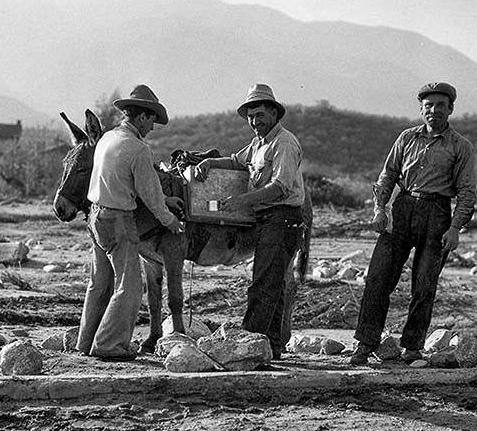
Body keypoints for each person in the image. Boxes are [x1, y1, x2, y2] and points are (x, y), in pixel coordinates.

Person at [349, 81, 477, 365]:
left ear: (451, 109)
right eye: (428, 105)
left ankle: (412, 347)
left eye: (440, 105)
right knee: (378, 278)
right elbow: (388, 175)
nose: (434, 111)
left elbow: (467, 192)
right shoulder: (406, 138)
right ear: (421, 109)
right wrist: (379, 209)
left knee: (424, 284)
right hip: (402, 208)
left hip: (438, 214)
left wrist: (455, 228)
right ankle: (366, 343)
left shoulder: (460, 147)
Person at [195, 83, 306, 359]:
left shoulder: (284, 143)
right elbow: (237, 161)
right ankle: (273, 345)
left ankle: (246, 348)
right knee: (274, 283)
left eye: (259, 115)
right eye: (250, 117)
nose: (254, 122)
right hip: (268, 219)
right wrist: (211, 163)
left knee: (263, 283)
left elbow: (280, 187)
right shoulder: (259, 143)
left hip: (282, 219)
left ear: (273, 113)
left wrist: (242, 201)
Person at [76, 84, 184, 362]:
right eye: (151, 120)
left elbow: (123, 179)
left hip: (96, 217)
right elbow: (149, 193)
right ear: (142, 117)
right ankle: (110, 346)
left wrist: (164, 199)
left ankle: (85, 342)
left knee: (99, 283)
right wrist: (169, 219)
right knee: (130, 286)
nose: (152, 127)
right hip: (117, 220)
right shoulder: (138, 149)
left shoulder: (108, 139)